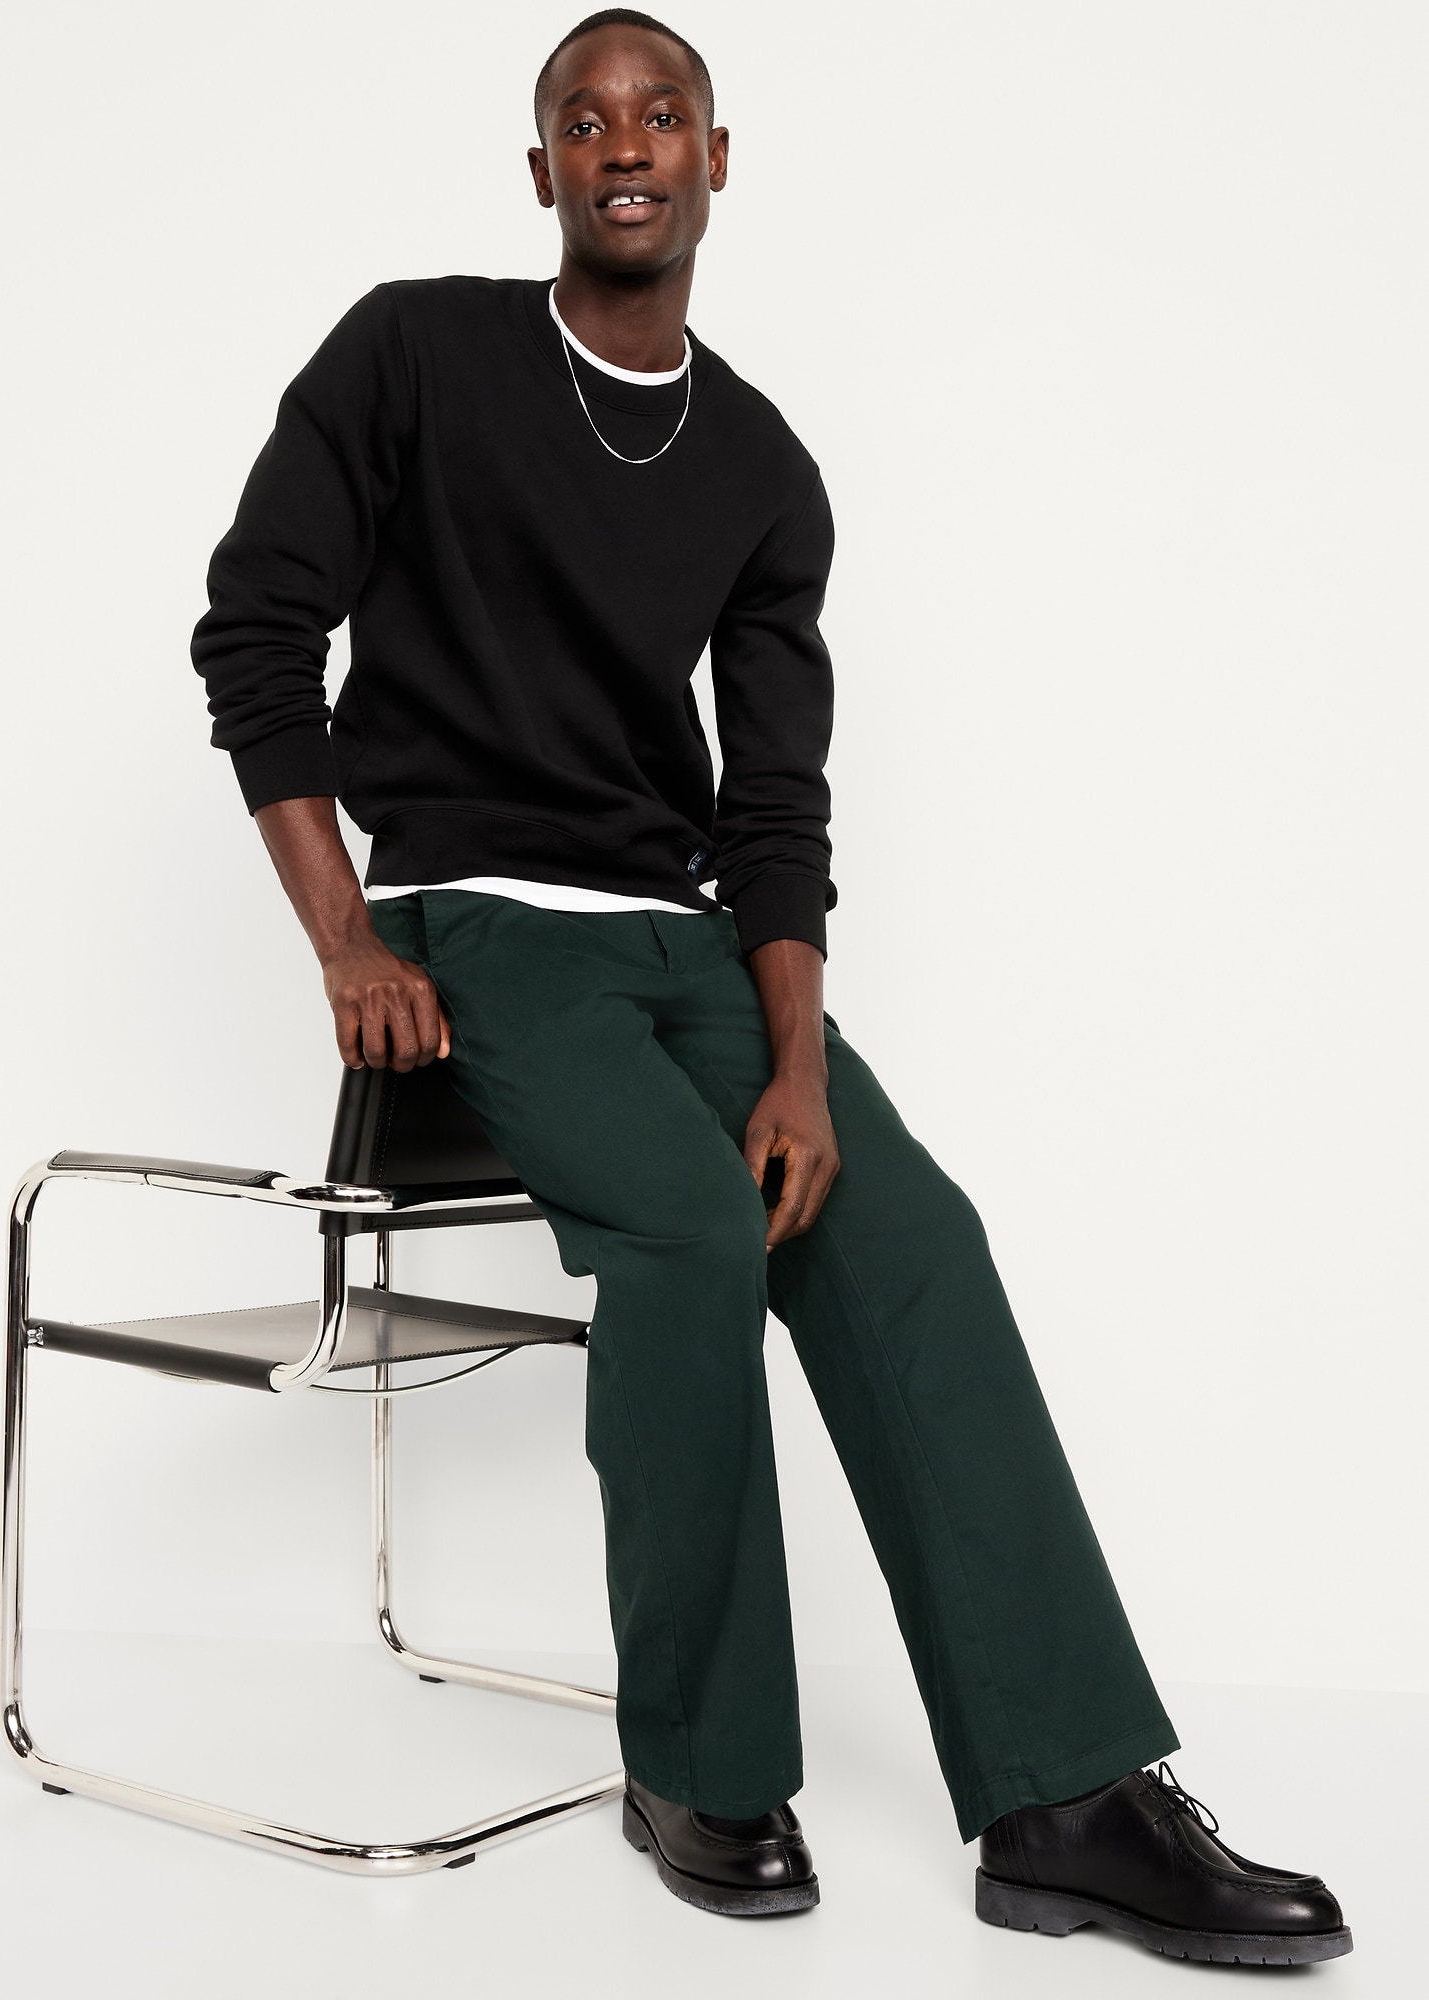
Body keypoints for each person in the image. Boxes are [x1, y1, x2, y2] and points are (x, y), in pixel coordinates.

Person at [192, 9, 1351, 1962]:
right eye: (585, 119)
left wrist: (798, 1060)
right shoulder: (416, 353)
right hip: (483, 924)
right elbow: (255, 633)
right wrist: (346, 935)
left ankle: (1064, 1797)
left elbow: (775, 809)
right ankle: (702, 1764)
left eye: (663, 115)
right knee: (689, 1227)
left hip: (689, 943)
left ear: (718, 159)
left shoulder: (759, 463)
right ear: (543, 170)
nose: (625, 143)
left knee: (914, 1236)